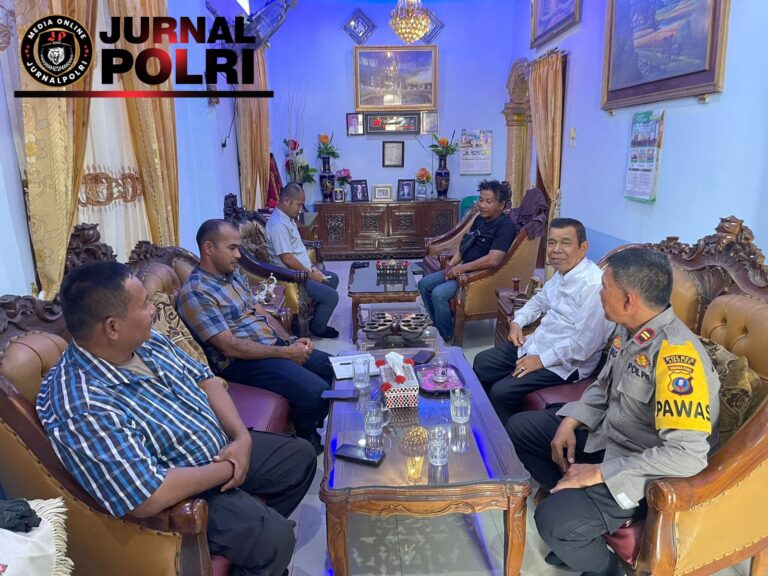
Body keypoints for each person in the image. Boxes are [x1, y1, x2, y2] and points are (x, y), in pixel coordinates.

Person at [37, 262, 316, 576]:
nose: (154, 310)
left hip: (218, 447)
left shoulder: (145, 342)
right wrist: (229, 467)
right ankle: (256, 543)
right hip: (183, 493)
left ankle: (248, 544)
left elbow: (205, 380)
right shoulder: (82, 404)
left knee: (300, 458)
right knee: (276, 541)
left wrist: (241, 438)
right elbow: (147, 496)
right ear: (112, 327)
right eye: (144, 305)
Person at [507, 248, 720, 576]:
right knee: (521, 429)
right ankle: (577, 512)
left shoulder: (677, 359)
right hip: (610, 438)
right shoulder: (630, 328)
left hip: (643, 469)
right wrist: (571, 420)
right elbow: (603, 385)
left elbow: (687, 455)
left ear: (628, 299)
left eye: (604, 287)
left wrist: (600, 473)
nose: (599, 294)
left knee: (551, 521)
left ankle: (606, 568)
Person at [177, 219, 331, 454]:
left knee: (332, 368)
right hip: (241, 363)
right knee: (317, 392)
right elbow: (228, 346)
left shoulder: (233, 274)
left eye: (238, 247)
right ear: (209, 248)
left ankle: (307, 421)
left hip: (271, 346)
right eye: (232, 248)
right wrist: (285, 353)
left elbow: (259, 311)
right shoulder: (197, 292)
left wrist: (289, 340)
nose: (239, 255)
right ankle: (304, 436)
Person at [473, 218, 614, 424]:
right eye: (552, 242)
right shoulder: (562, 273)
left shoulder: (593, 286)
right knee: (482, 362)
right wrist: (517, 323)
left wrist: (541, 360)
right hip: (538, 343)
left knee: (502, 391)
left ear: (583, 247)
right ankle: (486, 420)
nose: (556, 250)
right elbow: (538, 302)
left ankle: (507, 436)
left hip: (566, 363)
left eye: (565, 243)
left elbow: (584, 346)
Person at [418, 179, 517, 342]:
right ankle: (439, 323)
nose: (482, 205)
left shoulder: (505, 226)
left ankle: (445, 335)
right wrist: (451, 265)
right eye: (481, 200)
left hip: (477, 275)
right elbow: (465, 245)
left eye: (488, 201)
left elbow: (493, 260)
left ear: (501, 205)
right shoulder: (479, 219)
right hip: (462, 269)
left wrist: (461, 269)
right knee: (423, 284)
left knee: (438, 293)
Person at [266, 182, 340, 338]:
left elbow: (297, 249)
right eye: (299, 205)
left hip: (303, 271)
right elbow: (287, 259)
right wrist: (311, 275)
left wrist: (312, 268)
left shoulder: (288, 218)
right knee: (332, 296)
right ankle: (318, 328)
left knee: (333, 279)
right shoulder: (278, 225)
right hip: (292, 277)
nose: (300, 209)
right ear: (286, 201)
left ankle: (314, 317)